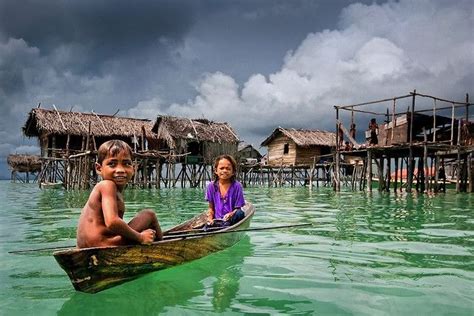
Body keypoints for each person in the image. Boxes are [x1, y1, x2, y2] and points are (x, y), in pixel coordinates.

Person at [76, 139, 162, 248]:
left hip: (90, 244)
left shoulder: (109, 188)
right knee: (149, 215)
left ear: (134, 168)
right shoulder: (107, 185)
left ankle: (153, 240)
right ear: (99, 168)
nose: (120, 170)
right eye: (112, 164)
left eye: (126, 164)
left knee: (145, 219)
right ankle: (161, 245)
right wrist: (140, 237)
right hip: (102, 244)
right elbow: (112, 222)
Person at [206, 154, 246, 227]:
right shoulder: (211, 186)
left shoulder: (237, 186)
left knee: (240, 213)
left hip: (232, 219)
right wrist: (210, 218)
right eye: (221, 168)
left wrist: (230, 214)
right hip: (218, 220)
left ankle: (225, 225)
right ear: (216, 171)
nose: (225, 171)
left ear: (233, 172)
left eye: (228, 169)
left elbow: (238, 208)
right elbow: (211, 208)